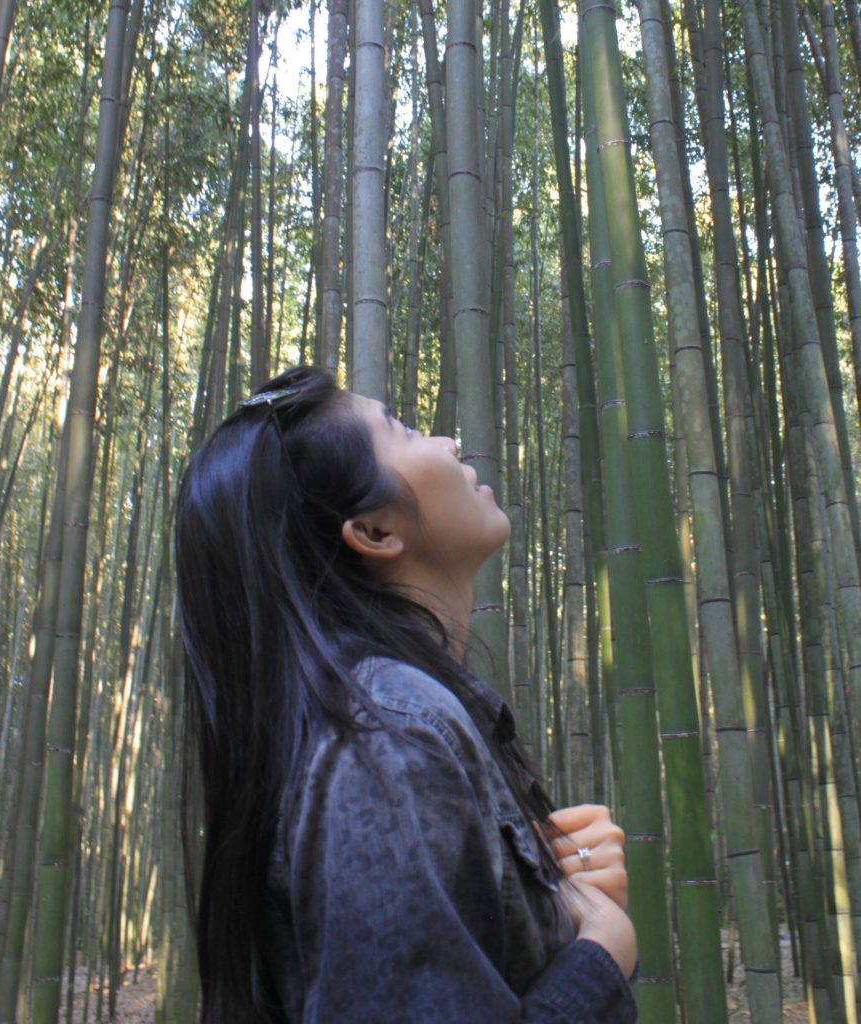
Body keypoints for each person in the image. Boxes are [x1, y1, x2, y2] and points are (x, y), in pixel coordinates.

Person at [175, 365, 638, 1023]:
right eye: (404, 429)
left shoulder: (388, 722)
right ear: (375, 532)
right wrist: (599, 956)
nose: (448, 442)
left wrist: (553, 894)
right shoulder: (384, 738)